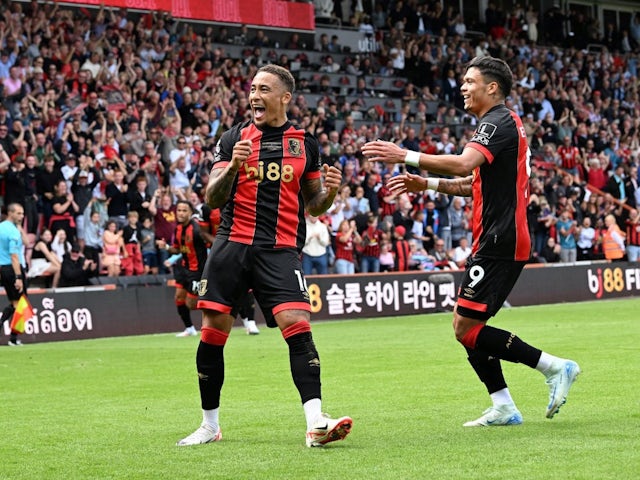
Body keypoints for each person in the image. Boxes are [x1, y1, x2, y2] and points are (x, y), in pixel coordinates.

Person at [362, 56, 580, 427]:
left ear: (491, 87)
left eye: (469, 81)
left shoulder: (499, 121)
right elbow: (470, 184)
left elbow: (464, 165)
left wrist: (407, 156)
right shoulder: (497, 125)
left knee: (466, 327)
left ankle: (554, 367)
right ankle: (504, 406)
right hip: (492, 238)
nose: (462, 87)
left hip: (502, 239)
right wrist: (426, 183)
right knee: (467, 330)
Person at [178, 65, 352, 447]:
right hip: (232, 245)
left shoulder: (304, 143)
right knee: (213, 332)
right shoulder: (233, 138)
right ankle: (210, 425)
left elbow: (315, 205)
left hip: (280, 249)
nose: (254, 96)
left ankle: (315, 423)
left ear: (285, 97)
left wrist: (332, 193)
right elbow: (212, 197)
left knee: (298, 326)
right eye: (252, 89)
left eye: (264, 89)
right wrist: (235, 166)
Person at [169, 200, 208, 338]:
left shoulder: (197, 230)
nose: (180, 213)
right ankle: (189, 328)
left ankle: (217, 309)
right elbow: (177, 249)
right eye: (179, 210)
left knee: (191, 304)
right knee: (178, 297)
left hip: (197, 271)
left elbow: (209, 245)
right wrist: (167, 248)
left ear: (191, 213)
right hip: (183, 268)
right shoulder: (178, 228)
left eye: (184, 210)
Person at [0, 203, 28, 346]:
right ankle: (13, 338)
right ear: (10, 213)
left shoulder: (1, 227)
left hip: (3, 268)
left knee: (16, 303)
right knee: (20, 305)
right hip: (13, 268)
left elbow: (27, 242)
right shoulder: (12, 232)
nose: (21, 216)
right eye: (18, 213)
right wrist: (18, 277)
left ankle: (13, 337)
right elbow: (14, 256)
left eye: (22, 213)